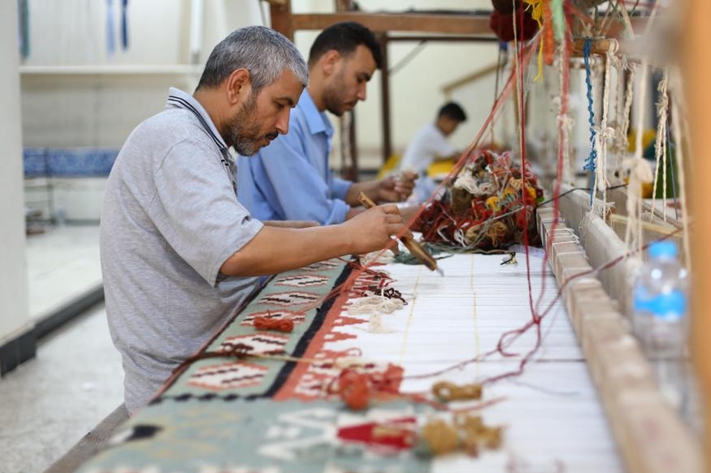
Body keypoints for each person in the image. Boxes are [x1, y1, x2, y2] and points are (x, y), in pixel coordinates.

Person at [100, 26, 407, 414]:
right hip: (181, 377)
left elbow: (227, 232)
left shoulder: (202, 141)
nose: (283, 125)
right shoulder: (177, 141)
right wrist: (347, 235)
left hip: (213, 344)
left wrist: (302, 232)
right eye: (280, 105)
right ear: (238, 85)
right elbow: (237, 253)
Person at [237, 22, 416, 225]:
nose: (363, 94)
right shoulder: (287, 123)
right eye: (359, 79)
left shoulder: (314, 123)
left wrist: (377, 189)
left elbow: (323, 187)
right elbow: (314, 217)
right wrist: (410, 215)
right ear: (330, 62)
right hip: (273, 253)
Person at [398, 101, 467, 202]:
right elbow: (459, 157)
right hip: (415, 182)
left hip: (415, 179)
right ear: (445, 119)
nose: (454, 131)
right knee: (448, 198)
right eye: (454, 126)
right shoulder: (432, 134)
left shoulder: (429, 130)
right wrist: (477, 151)